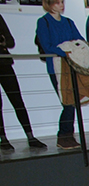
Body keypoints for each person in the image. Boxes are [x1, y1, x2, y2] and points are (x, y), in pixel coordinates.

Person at [36, 0, 87, 150]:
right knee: (68, 102)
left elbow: (80, 40)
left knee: (72, 101)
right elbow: (47, 46)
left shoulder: (68, 22)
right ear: (49, 4)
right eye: (57, 2)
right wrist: (66, 51)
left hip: (71, 66)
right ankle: (64, 135)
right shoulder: (44, 22)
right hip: (56, 67)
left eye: (62, 2)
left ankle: (67, 135)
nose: (61, 5)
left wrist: (74, 50)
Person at [0, 15, 46, 151]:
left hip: (4, 64)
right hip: (4, 61)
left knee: (17, 100)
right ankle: (3, 139)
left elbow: (11, 42)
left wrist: (3, 42)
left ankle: (30, 137)